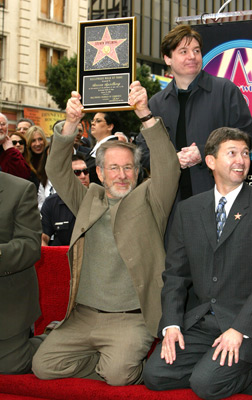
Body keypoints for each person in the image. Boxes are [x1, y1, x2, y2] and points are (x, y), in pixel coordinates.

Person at [32, 82, 180, 386]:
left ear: (138, 172)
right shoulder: (88, 200)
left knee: (119, 376)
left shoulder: (152, 200)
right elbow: (58, 171)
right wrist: (71, 123)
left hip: (130, 318)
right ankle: (104, 361)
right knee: (43, 366)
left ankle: (118, 362)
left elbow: (168, 167)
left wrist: (145, 114)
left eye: (128, 168)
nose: (122, 175)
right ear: (99, 173)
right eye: (113, 168)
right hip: (83, 317)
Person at [143, 126, 252, 399]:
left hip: (243, 323)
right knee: (155, 375)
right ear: (211, 161)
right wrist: (171, 325)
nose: (241, 160)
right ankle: (214, 364)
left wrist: (239, 329)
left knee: (205, 384)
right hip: (202, 322)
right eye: (232, 153)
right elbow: (176, 275)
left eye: (246, 153)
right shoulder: (189, 209)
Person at [142, 25, 252, 204]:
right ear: (167, 58)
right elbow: (144, 153)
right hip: (172, 207)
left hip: (220, 201)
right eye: (184, 51)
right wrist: (171, 160)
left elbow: (246, 136)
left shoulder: (225, 91)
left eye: (196, 51)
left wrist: (203, 152)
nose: (192, 56)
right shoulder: (156, 103)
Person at [0, 171, 43, 374]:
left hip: (8, 302)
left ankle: (58, 337)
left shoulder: (20, 189)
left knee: (10, 366)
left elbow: (31, 246)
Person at [41, 154, 90, 246]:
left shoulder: (100, 198)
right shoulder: (51, 203)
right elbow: (43, 236)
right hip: (64, 256)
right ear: (65, 176)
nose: (83, 176)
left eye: (86, 171)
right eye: (77, 172)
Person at [84, 112, 120, 184]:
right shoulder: (96, 147)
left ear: (110, 126)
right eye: (93, 120)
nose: (93, 123)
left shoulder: (113, 147)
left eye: (98, 121)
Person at [0, 113, 31, 179]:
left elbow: (23, 175)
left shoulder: (12, 151)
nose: (0, 127)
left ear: (7, 127)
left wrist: (10, 151)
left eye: (3, 124)